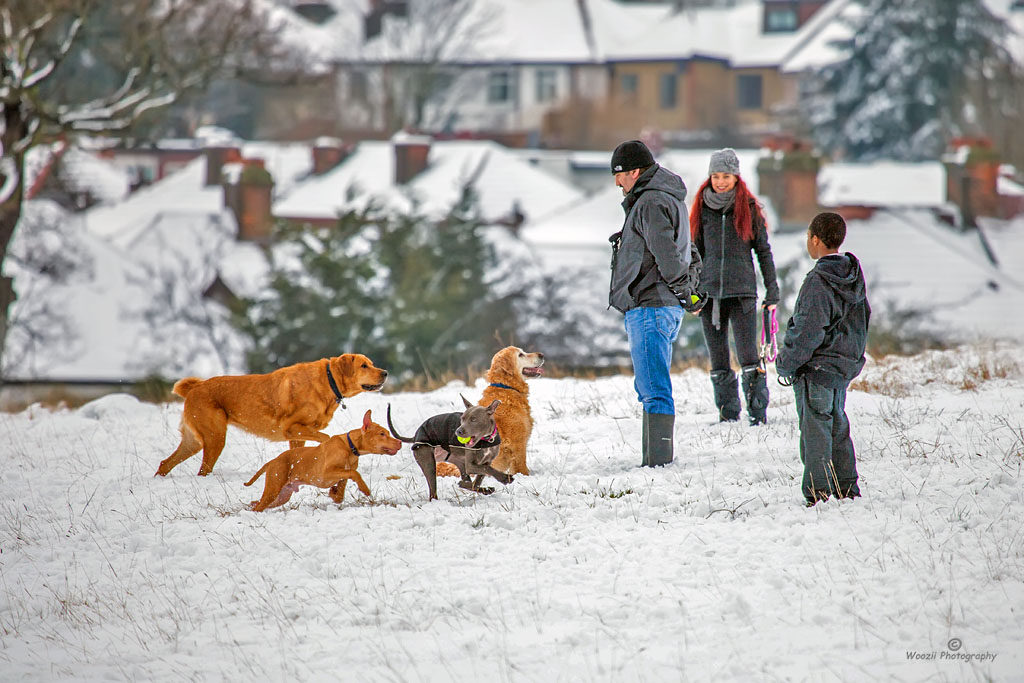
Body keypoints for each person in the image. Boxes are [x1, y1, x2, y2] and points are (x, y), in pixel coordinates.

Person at [608, 140, 702, 467]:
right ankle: (654, 461)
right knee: (651, 385)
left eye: (619, 174)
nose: (616, 182)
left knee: (654, 388)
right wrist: (687, 293)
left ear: (635, 171)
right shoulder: (667, 198)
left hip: (651, 304)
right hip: (659, 305)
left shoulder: (650, 202)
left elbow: (668, 256)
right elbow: (686, 250)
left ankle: (658, 465)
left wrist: (686, 294)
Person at [776, 212, 871, 506]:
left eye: (808, 237)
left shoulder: (818, 281)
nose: (808, 242)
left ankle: (818, 493)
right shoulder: (853, 275)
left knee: (816, 432)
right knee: (838, 428)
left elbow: (807, 330)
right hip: (842, 367)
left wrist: (785, 362)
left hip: (817, 370)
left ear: (816, 240)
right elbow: (862, 319)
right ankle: (846, 488)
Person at [689, 148, 780, 425]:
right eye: (715, 176)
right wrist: (692, 295)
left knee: (748, 355)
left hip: (741, 293)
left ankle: (757, 413)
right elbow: (694, 255)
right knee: (718, 358)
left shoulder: (749, 209)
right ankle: (728, 414)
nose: (720, 181)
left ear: (736, 176)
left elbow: (763, 252)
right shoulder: (702, 208)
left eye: (725, 176)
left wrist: (772, 290)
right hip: (709, 296)